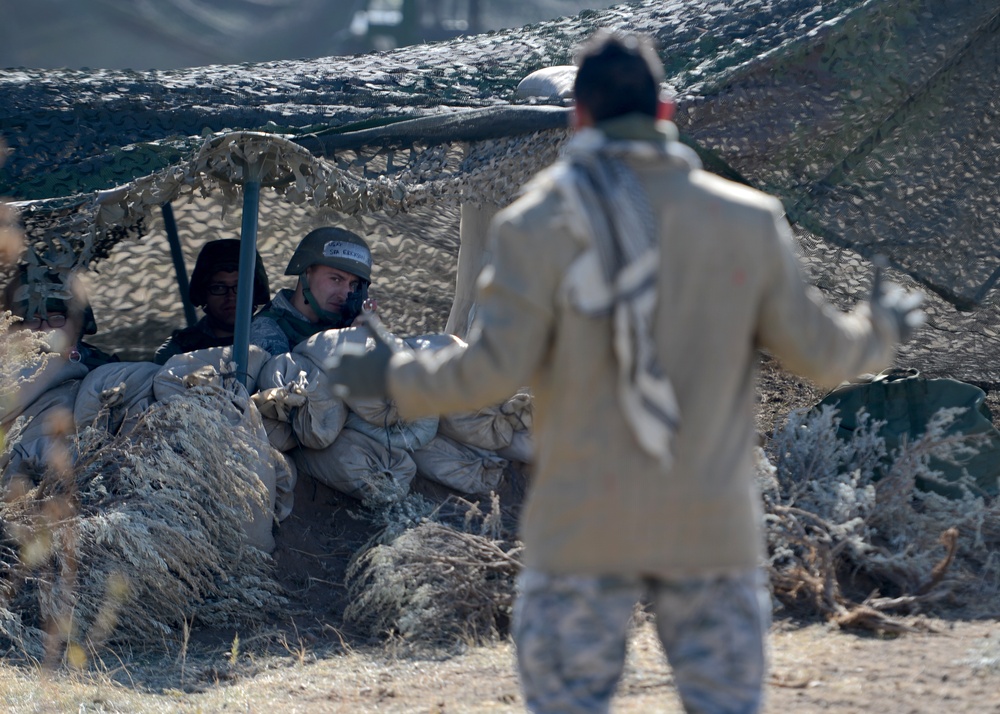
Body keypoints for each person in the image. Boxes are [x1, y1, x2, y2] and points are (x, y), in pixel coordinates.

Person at [325, 30, 924, 713]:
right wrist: (883, 330)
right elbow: (824, 357)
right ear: (664, 113)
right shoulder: (747, 222)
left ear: (576, 116)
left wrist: (391, 376)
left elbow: (484, 378)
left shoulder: (535, 226)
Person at [249, 226, 373, 355]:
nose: (344, 294)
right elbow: (285, 373)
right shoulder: (265, 331)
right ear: (307, 273)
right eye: (336, 279)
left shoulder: (345, 323)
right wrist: (347, 346)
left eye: (353, 285)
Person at [153, 239, 271, 364]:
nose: (231, 296)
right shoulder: (177, 353)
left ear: (256, 291)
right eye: (219, 288)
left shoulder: (275, 342)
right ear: (203, 293)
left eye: (241, 287)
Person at [3, 267, 118, 371]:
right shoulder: (6, 373)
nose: (45, 328)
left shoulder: (108, 370)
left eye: (57, 318)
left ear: (78, 325)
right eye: (32, 320)